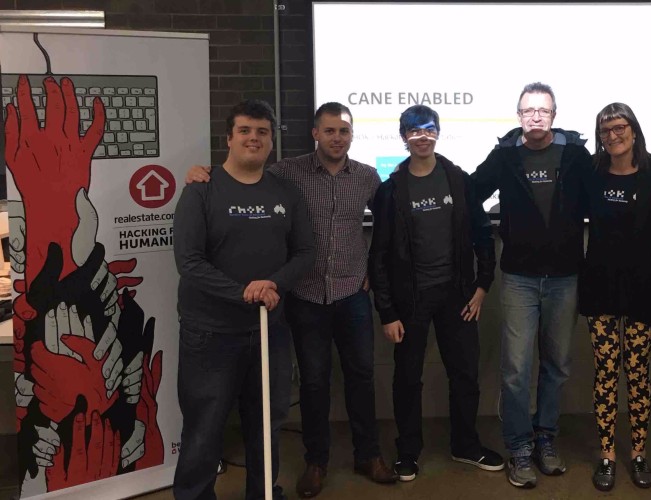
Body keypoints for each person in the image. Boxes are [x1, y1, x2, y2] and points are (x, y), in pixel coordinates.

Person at [184, 102, 396, 498]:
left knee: (362, 377)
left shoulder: (368, 177)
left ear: (352, 136)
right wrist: (204, 172)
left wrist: (374, 267)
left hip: (351, 292)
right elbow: (241, 171)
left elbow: (388, 227)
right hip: (304, 295)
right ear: (315, 133)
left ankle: (368, 454)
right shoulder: (287, 173)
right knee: (313, 382)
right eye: (329, 130)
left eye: (344, 131)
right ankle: (317, 461)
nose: (337, 138)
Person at [172, 99, 315, 499]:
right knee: (204, 426)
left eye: (262, 132)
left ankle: (263, 493)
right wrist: (242, 293)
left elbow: (305, 252)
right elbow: (189, 261)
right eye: (246, 131)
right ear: (229, 139)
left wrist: (270, 286)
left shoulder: (287, 191)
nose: (254, 138)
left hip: (269, 331)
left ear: (272, 142)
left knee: (267, 423)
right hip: (209, 334)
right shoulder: (201, 191)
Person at [368, 104, 504, 481]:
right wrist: (388, 312)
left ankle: (465, 445)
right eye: (414, 130)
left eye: (429, 129)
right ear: (403, 137)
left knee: (465, 373)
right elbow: (377, 256)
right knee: (407, 377)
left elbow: (481, 235)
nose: (422, 136)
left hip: (457, 295)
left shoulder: (458, 180)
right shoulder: (391, 190)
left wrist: (481, 286)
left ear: (438, 133)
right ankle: (408, 452)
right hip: (410, 301)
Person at [472, 83, 592, 488]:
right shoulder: (505, 155)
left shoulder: (576, 154)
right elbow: (470, 191)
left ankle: (546, 439)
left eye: (543, 110)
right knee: (516, 370)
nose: (536, 116)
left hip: (564, 278)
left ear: (554, 115)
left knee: (557, 365)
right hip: (520, 278)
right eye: (529, 110)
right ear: (519, 115)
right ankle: (519, 447)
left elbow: (602, 196)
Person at [579, 103, 651, 491]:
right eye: (605, 131)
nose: (612, 136)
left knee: (636, 373)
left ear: (634, 130)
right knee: (605, 371)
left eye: (619, 128)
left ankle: (637, 454)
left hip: (643, 286)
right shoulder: (592, 173)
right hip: (600, 285)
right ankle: (607, 456)